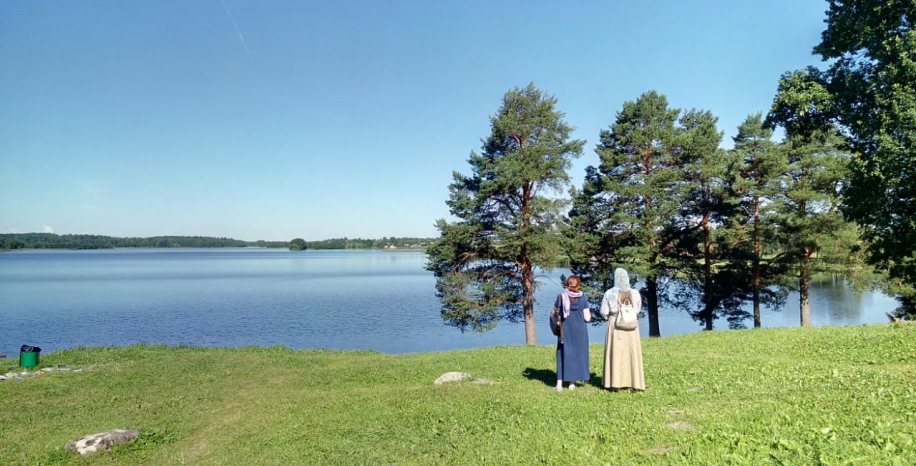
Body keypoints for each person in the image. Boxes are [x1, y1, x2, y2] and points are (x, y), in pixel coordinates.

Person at [599, 268, 645, 392]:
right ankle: (633, 383)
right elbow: (637, 310)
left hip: (615, 324)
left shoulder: (609, 293)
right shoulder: (635, 293)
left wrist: (610, 317)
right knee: (631, 353)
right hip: (631, 325)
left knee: (616, 353)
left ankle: (615, 383)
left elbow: (604, 312)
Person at [552, 275, 591, 391]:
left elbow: (554, 312)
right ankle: (571, 383)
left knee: (562, 354)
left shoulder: (561, 296)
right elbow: (587, 318)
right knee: (577, 355)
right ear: (578, 285)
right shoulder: (582, 298)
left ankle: (559, 384)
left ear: (567, 284)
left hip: (564, 330)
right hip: (579, 331)